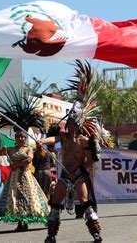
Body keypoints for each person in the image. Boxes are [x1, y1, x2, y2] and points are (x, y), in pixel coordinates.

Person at [40, 60, 104, 243]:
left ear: (79, 125)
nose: (71, 126)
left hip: (78, 176)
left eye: (74, 124)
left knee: (86, 204)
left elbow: (91, 160)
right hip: (64, 176)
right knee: (55, 204)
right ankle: (51, 236)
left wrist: (79, 170)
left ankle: (96, 234)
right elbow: (53, 139)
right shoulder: (64, 137)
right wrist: (42, 140)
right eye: (69, 123)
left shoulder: (84, 141)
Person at [0, 131, 50, 232]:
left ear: (25, 139)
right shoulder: (10, 150)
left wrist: (16, 165)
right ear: (15, 139)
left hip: (25, 177)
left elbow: (28, 160)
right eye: (18, 137)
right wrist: (3, 149)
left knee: (28, 198)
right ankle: (20, 223)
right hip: (14, 178)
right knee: (14, 198)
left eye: (23, 137)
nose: (21, 139)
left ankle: (27, 221)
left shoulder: (28, 149)